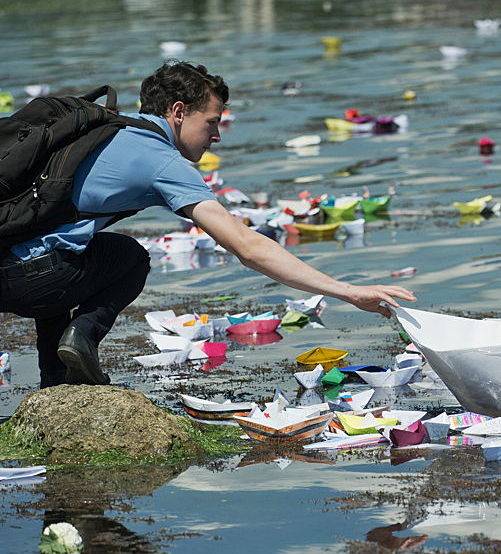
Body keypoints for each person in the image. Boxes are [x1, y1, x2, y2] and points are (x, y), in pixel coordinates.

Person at [0, 61, 415, 389]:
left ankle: (55, 380)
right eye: (212, 121)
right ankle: (82, 336)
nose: (217, 135)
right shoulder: (161, 159)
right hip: (30, 282)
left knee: (71, 247)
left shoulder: (109, 127)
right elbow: (247, 247)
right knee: (128, 258)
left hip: (9, 270)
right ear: (178, 112)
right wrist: (347, 291)